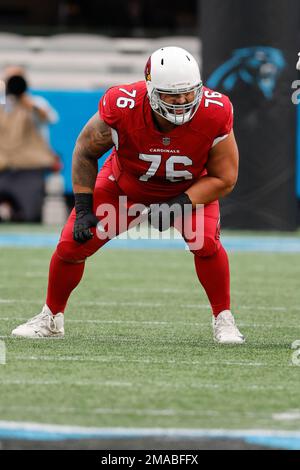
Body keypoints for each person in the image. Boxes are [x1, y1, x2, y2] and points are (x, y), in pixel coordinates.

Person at [11, 47, 245, 344]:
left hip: (187, 190)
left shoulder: (216, 111)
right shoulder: (123, 106)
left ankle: (223, 319)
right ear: (150, 90)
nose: (183, 101)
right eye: (173, 95)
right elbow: (85, 150)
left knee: (207, 243)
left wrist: (179, 205)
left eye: (188, 92)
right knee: (71, 245)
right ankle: (51, 318)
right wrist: (83, 208)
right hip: (125, 187)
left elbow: (225, 178)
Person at [0, 66, 59, 222]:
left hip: (29, 168)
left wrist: (28, 104)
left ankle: (12, 214)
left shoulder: (36, 103)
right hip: (3, 167)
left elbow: (50, 118)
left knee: (30, 216)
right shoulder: (2, 104)